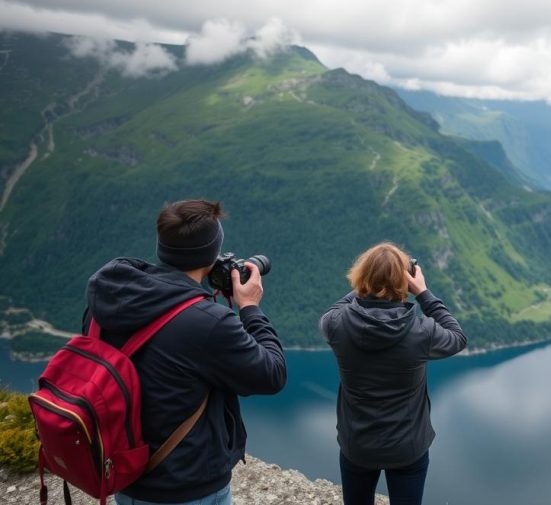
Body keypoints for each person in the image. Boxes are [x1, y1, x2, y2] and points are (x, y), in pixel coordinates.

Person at [82, 199, 287, 505]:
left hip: (125, 474)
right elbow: (272, 374)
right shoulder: (207, 324)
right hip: (188, 487)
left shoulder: (107, 300)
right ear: (212, 253)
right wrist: (250, 308)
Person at [320, 242, 467, 505]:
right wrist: (422, 292)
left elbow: (334, 309)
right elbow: (457, 337)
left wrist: (368, 283)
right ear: (405, 282)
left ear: (361, 277)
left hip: (358, 445)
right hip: (408, 448)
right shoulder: (422, 332)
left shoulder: (335, 325)